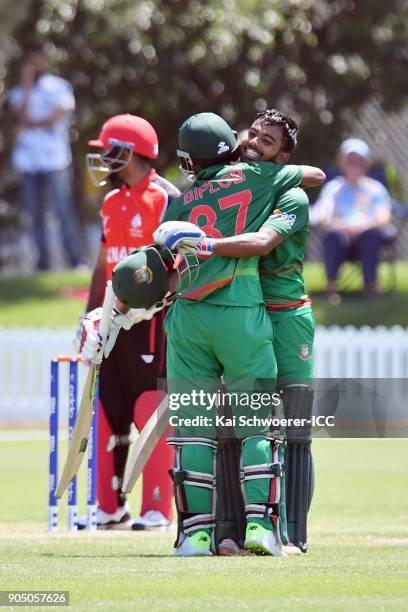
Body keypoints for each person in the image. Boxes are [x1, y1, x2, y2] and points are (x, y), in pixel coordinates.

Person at [153, 112, 325, 557]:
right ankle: (238, 532)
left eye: (267, 141)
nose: (255, 142)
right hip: (245, 311)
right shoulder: (259, 179)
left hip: (279, 315)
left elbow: (156, 268)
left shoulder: (194, 198)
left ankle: (285, 534)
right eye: (252, 134)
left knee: (289, 429)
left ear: (282, 155)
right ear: (233, 140)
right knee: (248, 427)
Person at [74, 113, 179, 530]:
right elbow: (103, 267)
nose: (102, 159)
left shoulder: (167, 197)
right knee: (107, 410)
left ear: (129, 152)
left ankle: (157, 508)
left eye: (108, 150)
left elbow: (180, 264)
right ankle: (110, 506)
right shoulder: (111, 202)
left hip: (150, 320)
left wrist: (150, 304)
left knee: (148, 406)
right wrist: (90, 320)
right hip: (112, 322)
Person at [9, 43, 85, 270]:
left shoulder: (59, 86)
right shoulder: (18, 92)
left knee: (63, 210)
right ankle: (43, 263)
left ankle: (76, 260)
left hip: (55, 159)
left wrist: (31, 123)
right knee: (35, 215)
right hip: (28, 161)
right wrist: (26, 85)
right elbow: (20, 115)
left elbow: (55, 115)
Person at [313, 138, 392, 300]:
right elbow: (324, 217)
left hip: (368, 237)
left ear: (366, 164)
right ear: (342, 162)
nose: (355, 165)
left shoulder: (376, 189)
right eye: (351, 161)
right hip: (341, 238)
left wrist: (361, 228)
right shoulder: (333, 188)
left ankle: (370, 287)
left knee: (371, 236)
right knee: (332, 237)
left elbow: (384, 217)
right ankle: (331, 289)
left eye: (359, 161)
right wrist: (345, 228)